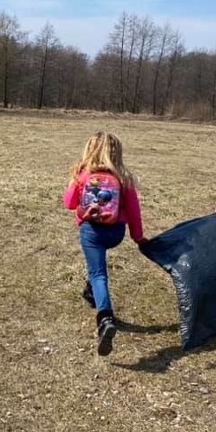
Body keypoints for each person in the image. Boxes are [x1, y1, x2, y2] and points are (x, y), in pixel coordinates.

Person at [63, 131, 147, 356]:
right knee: (95, 271)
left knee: (99, 273)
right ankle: (90, 291)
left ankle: (105, 318)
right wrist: (138, 237)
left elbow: (69, 203)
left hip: (92, 231)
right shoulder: (123, 178)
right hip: (115, 232)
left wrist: (76, 178)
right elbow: (134, 212)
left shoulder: (84, 174)